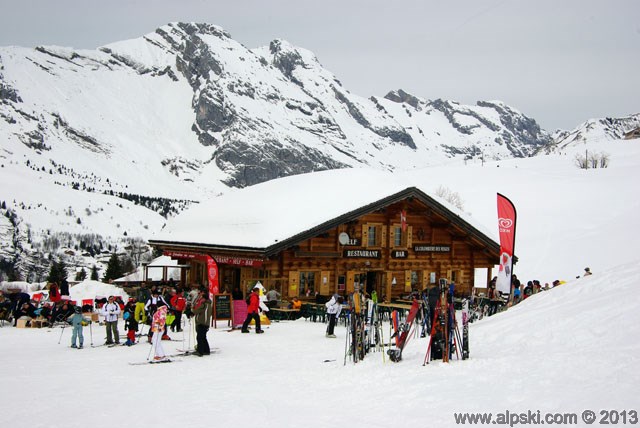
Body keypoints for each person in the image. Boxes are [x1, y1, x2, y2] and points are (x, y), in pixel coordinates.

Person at [191, 288, 212, 356]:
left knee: (199, 337)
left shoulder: (204, 305)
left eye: (202, 298)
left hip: (202, 323)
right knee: (203, 337)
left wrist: (192, 309)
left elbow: (196, 311)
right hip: (205, 323)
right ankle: (206, 350)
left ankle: (200, 351)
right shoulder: (209, 304)